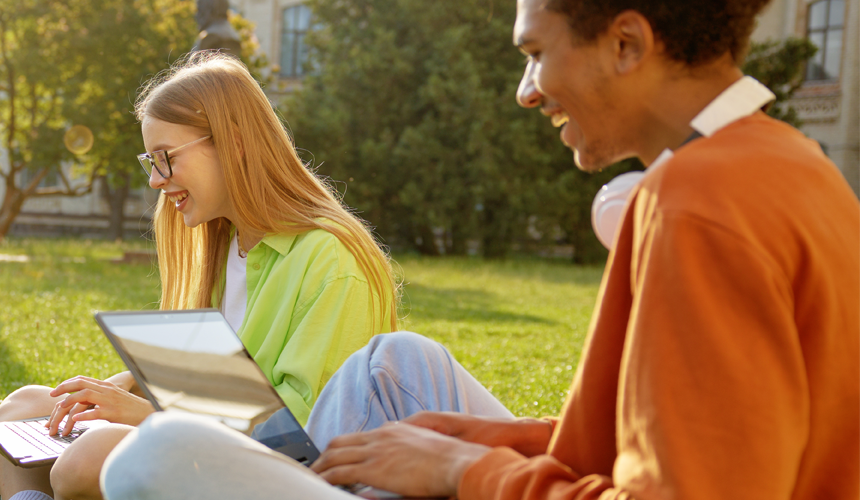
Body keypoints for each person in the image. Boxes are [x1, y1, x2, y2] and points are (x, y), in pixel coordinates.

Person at [101, 0, 860, 498]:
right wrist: (459, 436)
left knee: (156, 457)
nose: (527, 89)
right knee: (397, 363)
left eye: (535, 53)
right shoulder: (794, 168)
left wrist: (467, 468)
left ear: (626, 43)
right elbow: (636, 448)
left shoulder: (700, 208)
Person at [0, 51, 420, 500]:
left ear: (233, 143)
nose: (155, 179)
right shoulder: (223, 244)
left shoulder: (332, 262)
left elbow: (303, 443)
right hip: (210, 441)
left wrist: (143, 416)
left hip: (284, 477)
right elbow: (210, 385)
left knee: (90, 456)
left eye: (166, 158)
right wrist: (127, 383)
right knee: (23, 408)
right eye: (149, 161)